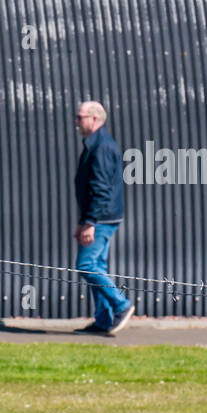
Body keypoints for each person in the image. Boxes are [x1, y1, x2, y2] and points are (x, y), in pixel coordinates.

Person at [73, 100, 134, 336]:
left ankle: (121, 305)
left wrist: (89, 223)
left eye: (80, 118)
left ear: (95, 119)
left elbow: (101, 190)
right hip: (99, 217)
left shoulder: (101, 147)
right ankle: (103, 320)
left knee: (86, 265)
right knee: (97, 265)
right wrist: (82, 222)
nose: (76, 122)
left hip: (101, 219)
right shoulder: (95, 145)